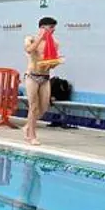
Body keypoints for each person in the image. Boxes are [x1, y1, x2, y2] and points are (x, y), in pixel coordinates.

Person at [22, 17, 61, 146]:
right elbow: (29, 50)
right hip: (32, 76)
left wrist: (54, 63)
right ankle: (32, 135)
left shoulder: (54, 43)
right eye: (51, 27)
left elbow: (52, 63)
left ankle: (28, 126)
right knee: (33, 107)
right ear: (43, 27)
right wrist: (41, 37)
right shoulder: (30, 39)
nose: (53, 30)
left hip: (45, 77)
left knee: (44, 107)